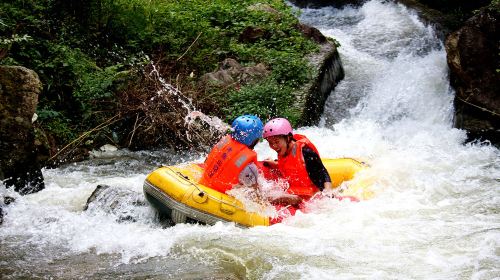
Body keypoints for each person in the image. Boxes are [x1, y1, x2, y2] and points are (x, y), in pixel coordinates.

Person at [199, 115, 302, 207]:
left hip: (205, 184)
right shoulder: (248, 167)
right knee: (295, 199)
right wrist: (287, 198)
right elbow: (259, 199)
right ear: (255, 140)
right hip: (218, 196)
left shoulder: (224, 143)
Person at [262, 117, 333, 201]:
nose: (274, 146)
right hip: (294, 193)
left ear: (288, 138)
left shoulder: (305, 152)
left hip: (311, 197)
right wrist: (276, 164)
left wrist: (328, 192)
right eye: (270, 143)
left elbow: (322, 172)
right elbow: (291, 166)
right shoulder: (284, 150)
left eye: (277, 142)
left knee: (271, 198)